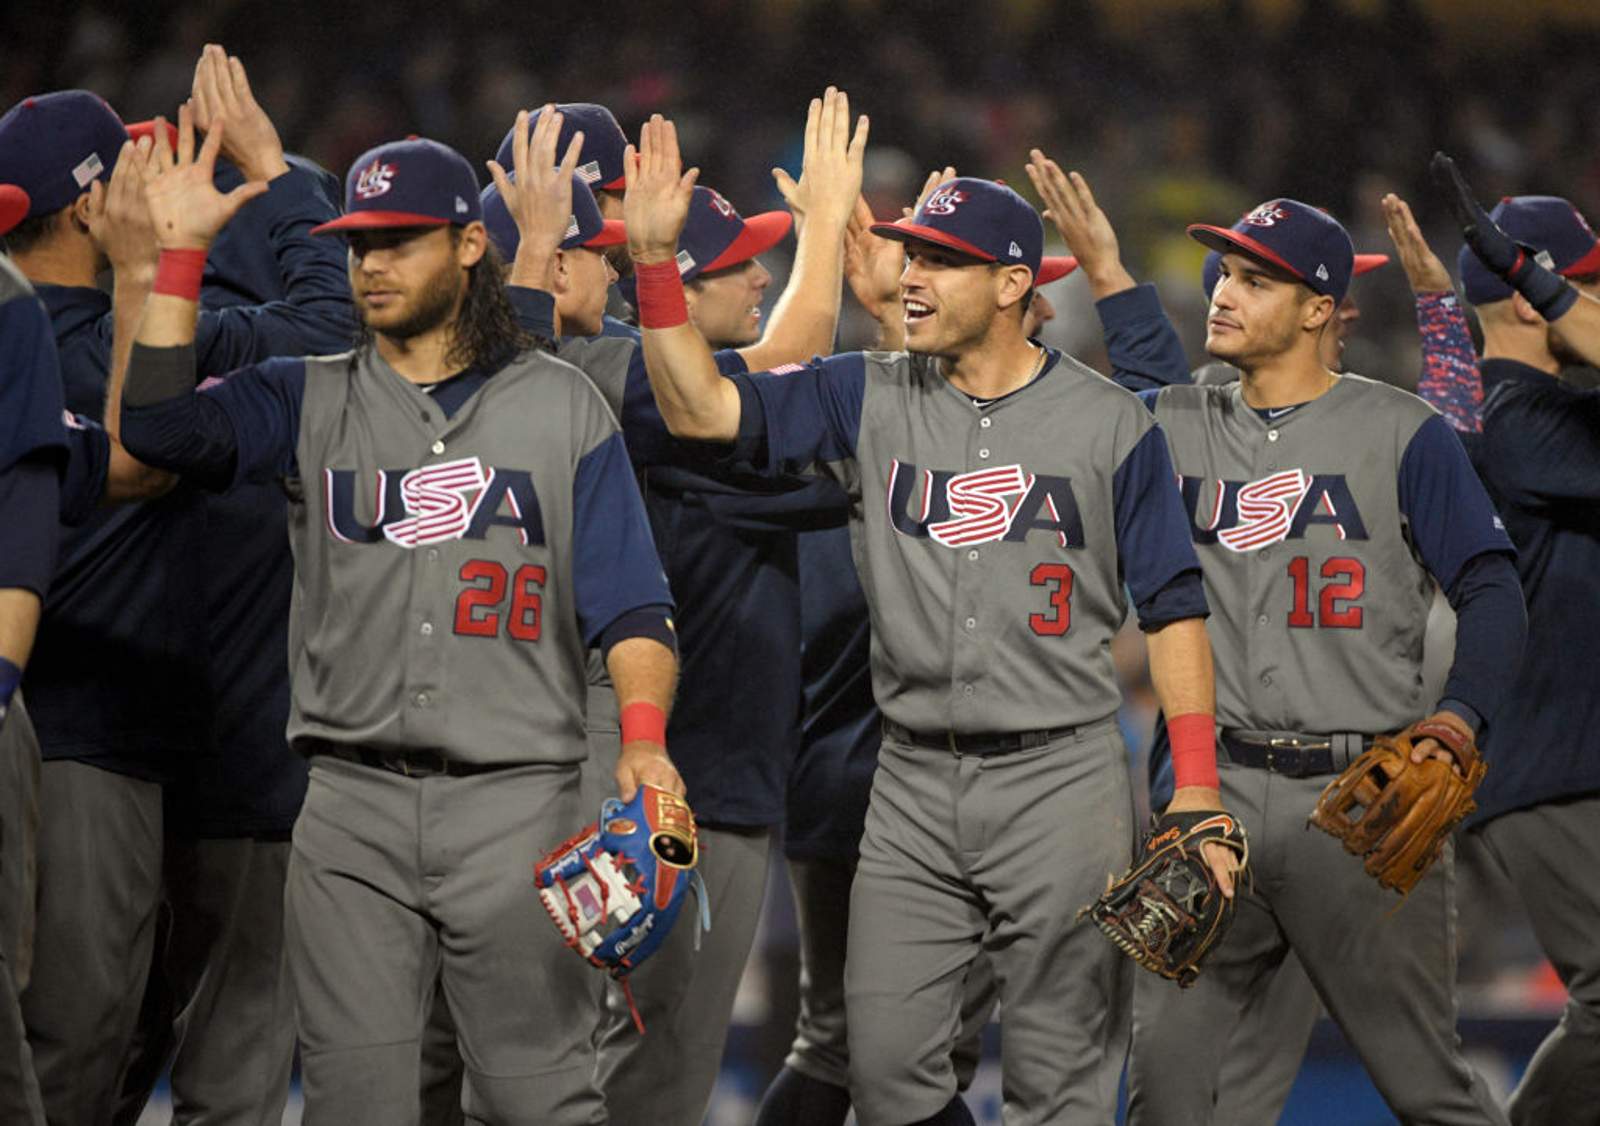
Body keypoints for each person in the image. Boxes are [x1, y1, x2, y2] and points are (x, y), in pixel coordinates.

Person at [621, 115, 1234, 1126]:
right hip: (907, 778)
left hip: (1061, 774)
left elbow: (1173, 606)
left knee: (1060, 1083)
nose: (910, 274)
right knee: (889, 1068)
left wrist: (1197, 788)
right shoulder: (864, 392)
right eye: (911, 254)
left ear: (1010, 286)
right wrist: (651, 265)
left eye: (941, 261)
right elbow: (699, 411)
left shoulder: (1110, 424)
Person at [118, 114, 682, 1126]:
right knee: (355, 1104)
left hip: (518, 801)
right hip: (348, 806)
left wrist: (642, 743)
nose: (370, 264)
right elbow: (158, 426)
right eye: (358, 243)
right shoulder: (305, 394)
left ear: (470, 244)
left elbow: (633, 604)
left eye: (398, 239)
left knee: (537, 1099)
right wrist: (179, 257)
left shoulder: (560, 405)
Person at [1066, 175, 1524, 1125]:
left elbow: (1492, 587)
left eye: (1255, 282)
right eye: (1224, 274)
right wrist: (1110, 273)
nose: (1223, 294)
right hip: (1209, 796)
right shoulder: (1176, 419)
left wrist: (1459, 717)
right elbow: (1140, 367)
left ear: (1322, 309)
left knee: (1428, 1090)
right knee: (1170, 1097)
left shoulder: (1404, 432)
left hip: (1357, 805)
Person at [490, 93, 864, 1126]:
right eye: (736, 263)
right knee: (632, 1083)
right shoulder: (620, 381)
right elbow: (780, 372)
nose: (757, 274)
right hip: (667, 783)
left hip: (655, 771)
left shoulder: (576, 372)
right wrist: (827, 230)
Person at [0, 45, 352, 1126]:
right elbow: (329, 343)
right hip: (76, 742)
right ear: (91, 202)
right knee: (68, 1040)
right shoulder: (74, 343)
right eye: (136, 172)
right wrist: (270, 176)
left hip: (146, 749)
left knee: (101, 1043)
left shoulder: (101, 331)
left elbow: (330, 342)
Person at [1418, 189, 1600, 1126]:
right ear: (1534, 299)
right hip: (1556, 764)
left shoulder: (1532, 409)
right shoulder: (1518, 417)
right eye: (1588, 287)